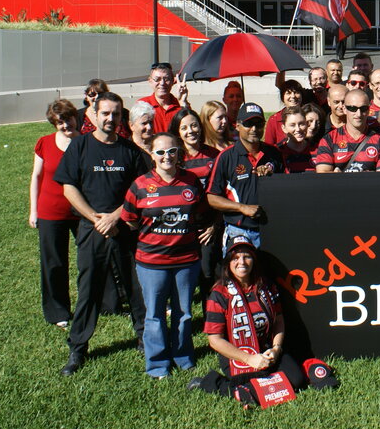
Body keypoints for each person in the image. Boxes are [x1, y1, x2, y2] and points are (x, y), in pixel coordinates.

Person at [53, 91, 149, 376]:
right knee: (89, 289)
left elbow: (140, 191)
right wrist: (95, 218)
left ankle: (145, 338)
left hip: (124, 228)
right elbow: (69, 187)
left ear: (121, 117)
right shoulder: (80, 146)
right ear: (94, 114)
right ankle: (78, 347)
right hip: (91, 229)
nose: (110, 118)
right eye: (105, 113)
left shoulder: (130, 151)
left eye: (115, 114)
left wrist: (115, 216)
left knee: (136, 288)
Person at [121, 132, 209, 379]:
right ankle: (158, 364)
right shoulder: (140, 185)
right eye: (160, 152)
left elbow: (200, 212)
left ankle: (183, 357)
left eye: (171, 151)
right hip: (152, 262)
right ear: (152, 155)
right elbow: (130, 219)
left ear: (179, 152)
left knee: (184, 313)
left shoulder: (191, 181)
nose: (166, 156)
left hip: (186, 260)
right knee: (155, 315)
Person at [187, 236, 307, 405]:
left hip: (266, 348)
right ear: (228, 263)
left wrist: (276, 348)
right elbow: (214, 341)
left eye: (247, 256)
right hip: (238, 353)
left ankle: (253, 387)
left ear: (254, 260)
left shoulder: (267, 287)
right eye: (235, 258)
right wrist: (249, 359)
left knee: (297, 379)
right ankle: (213, 383)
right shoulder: (219, 294)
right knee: (253, 387)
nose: (241, 262)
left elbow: (279, 320)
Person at [29, 99, 81, 329]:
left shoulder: (86, 142)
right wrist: (34, 210)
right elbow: (36, 176)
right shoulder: (45, 143)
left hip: (81, 210)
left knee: (91, 259)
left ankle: (102, 302)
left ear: (75, 117)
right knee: (54, 262)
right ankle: (57, 310)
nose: (66, 125)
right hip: (51, 211)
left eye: (68, 119)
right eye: (60, 122)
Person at [206, 103, 283, 250]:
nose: (254, 129)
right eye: (248, 124)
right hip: (239, 231)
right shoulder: (225, 157)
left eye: (258, 124)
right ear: (237, 126)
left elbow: (285, 189)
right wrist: (242, 208)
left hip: (271, 229)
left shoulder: (274, 154)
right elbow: (212, 197)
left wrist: (272, 176)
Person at [172, 108, 223, 310]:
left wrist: (214, 225)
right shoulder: (173, 158)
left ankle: (211, 317)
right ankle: (182, 317)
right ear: (177, 132)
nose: (190, 131)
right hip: (182, 228)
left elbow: (223, 194)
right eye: (184, 128)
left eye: (194, 125)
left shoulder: (215, 156)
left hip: (208, 226)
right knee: (182, 276)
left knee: (208, 273)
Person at [315, 89, 375, 173]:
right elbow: (322, 173)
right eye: (353, 108)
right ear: (344, 109)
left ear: (369, 110)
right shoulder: (329, 139)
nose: (358, 114)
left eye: (363, 108)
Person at [139, 62, 190, 133]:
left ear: (173, 81)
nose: (162, 83)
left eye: (166, 79)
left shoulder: (180, 105)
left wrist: (183, 102)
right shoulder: (142, 105)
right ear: (150, 81)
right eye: (157, 79)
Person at [264, 78, 304, 146]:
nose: (293, 96)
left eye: (296, 92)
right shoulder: (274, 120)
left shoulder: (308, 116)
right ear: (282, 97)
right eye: (288, 93)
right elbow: (268, 146)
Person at [277, 107, 317, 173]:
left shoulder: (318, 149)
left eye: (301, 124)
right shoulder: (277, 152)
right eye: (292, 125)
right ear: (284, 128)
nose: (298, 129)